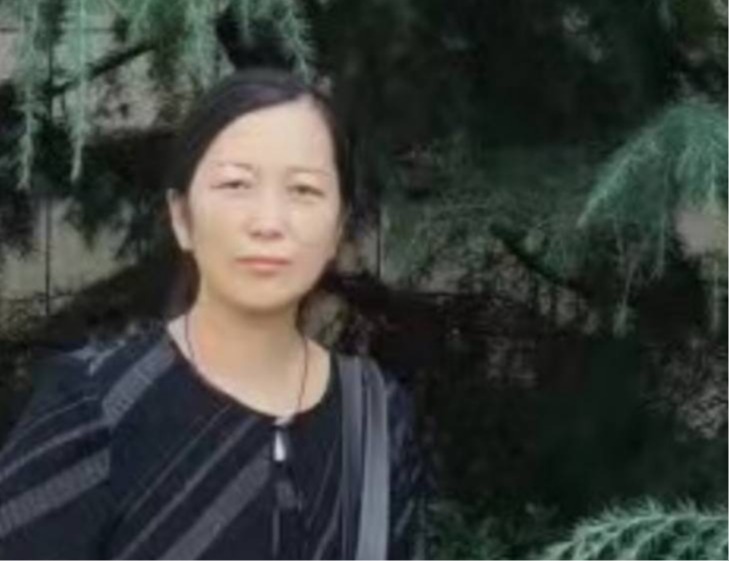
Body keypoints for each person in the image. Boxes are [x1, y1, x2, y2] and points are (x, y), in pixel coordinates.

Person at [0, 68, 425, 559]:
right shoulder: (98, 401)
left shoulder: (374, 414)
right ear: (182, 217)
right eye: (236, 184)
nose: (268, 222)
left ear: (338, 229)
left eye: (304, 190)